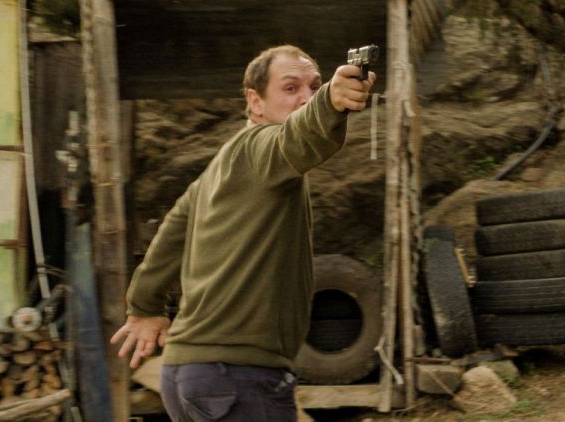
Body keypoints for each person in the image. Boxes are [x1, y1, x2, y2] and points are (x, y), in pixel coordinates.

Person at [111, 44, 376, 421]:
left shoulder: (219, 168)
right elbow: (299, 137)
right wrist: (329, 101)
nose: (305, 96)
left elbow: (171, 235)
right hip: (237, 378)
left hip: (189, 375)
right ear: (255, 101)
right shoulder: (262, 149)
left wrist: (144, 305)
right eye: (290, 88)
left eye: (314, 86)